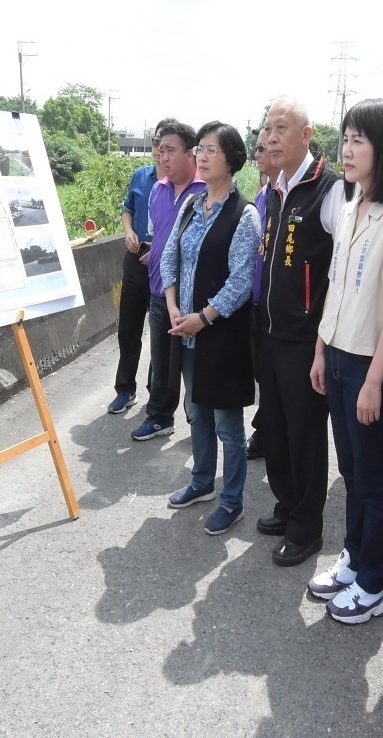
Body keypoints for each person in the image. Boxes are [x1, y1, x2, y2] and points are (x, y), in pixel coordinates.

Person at [308, 99, 383, 624]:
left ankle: (377, 583)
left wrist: (375, 381)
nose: (347, 150)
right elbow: (335, 286)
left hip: (373, 367)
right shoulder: (352, 204)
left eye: (359, 140)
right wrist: (320, 349)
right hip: (337, 355)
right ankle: (356, 558)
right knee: (352, 471)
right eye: (345, 138)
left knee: (375, 479)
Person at [256, 95, 346, 566]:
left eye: (282, 128)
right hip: (269, 333)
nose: (270, 136)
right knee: (274, 426)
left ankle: (307, 527)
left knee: (305, 433)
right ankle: (287, 505)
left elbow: (341, 269)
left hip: (305, 337)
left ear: (307, 134)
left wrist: (322, 342)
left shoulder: (327, 187)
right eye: (267, 128)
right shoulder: (275, 188)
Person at [160, 122, 261, 535]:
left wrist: (202, 318)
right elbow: (169, 256)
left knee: (227, 425)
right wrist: (172, 308)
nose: (201, 156)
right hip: (184, 331)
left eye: (211, 150)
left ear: (232, 159)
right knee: (196, 411)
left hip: (220, 335)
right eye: (199, 149)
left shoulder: (245, 214)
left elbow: (240, 282)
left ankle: (232, 500)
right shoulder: (191, 205)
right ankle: (202, 482)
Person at [131, 121, 203, 441]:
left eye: (170, 150)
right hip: (159, 290)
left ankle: (201, 422)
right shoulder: (158, 190)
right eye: (160, 150)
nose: (163, 157)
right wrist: (153, 254)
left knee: (195, 364)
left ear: (191, 154)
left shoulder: (205, 192)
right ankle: (160, 416)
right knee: (161, 361)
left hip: (194, 295)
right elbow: (157, 234)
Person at [107, 129, 164, 414]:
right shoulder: (141, 176)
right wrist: (128, 231)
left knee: (159, 332)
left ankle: (157, 395)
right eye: (156, 143)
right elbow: (127, 208)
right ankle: (125, 389)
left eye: (166, 145)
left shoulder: (182, 182)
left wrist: (161, 250)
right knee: (128, 328)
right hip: (134, 257)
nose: (159, 150)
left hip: (162, 262)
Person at [246, 141, 281, 461]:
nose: (258, 154)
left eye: (264, 147)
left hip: (279, 307)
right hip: (257, 301)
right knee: (262, 373)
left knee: (274, 376)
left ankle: (268, 431)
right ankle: (265, 427)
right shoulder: (262, 195)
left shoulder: (287, 196)